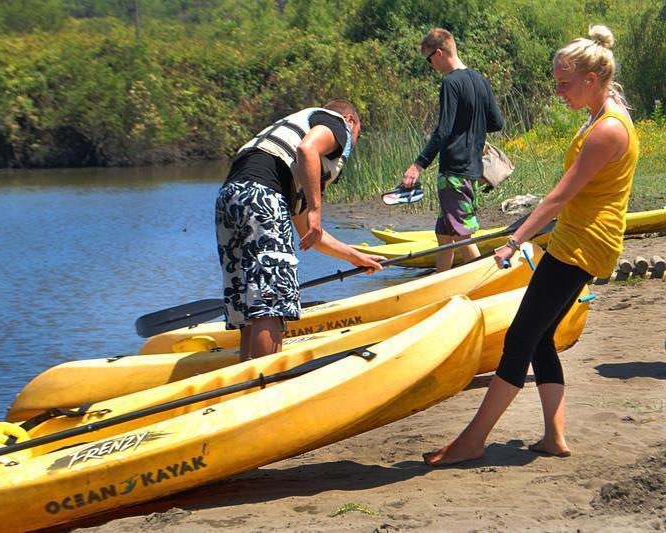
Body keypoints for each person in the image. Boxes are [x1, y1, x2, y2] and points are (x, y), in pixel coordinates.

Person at [423, 25, 639, 466]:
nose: (558, 91)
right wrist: (527, 229)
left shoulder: (608, 129)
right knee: (539, 337)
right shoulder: (605, 113)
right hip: (577, 238)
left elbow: (561, 195)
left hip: (581, 245)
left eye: (565, 83)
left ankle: (472, 440)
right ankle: (554, 437)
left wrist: (515, 239)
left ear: (592, 78)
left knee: (520, 336)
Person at [215, 100, 385, 360]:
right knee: (270, 303)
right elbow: (307, 150)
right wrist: (317, 208)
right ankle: (267, 382)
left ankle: (247, 382)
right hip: (262, 196)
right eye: (357, 136)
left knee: (249, 305)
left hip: (230, 198)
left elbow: (311, 235)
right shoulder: (336, 123)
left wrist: (355, 257)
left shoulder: (281, 163)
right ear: (351, 120)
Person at [401, 28, 505, 272]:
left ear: (439, 53)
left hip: (454, 171)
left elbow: (443, 129)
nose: (430, 65)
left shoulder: (451, 82)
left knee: (461, 235)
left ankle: (490, 279)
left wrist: (418, 165)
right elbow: (496, 123)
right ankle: (441, 280)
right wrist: (471, 127)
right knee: (445, 235)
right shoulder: (480, 81)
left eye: (429, 59)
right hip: (472, 170)